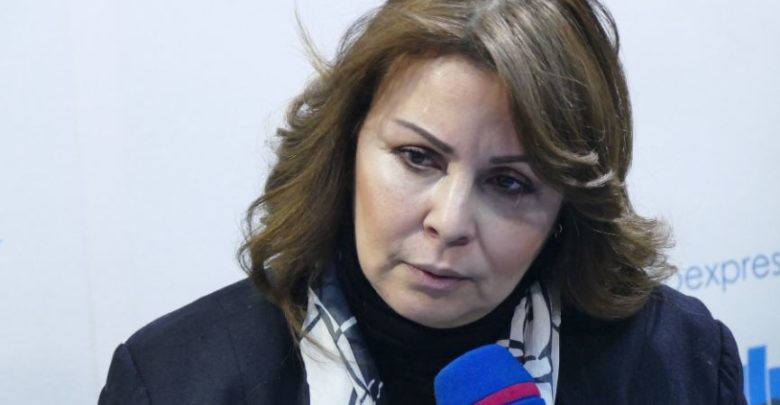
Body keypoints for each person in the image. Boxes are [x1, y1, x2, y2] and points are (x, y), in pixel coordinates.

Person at [99, 1, 747, 404]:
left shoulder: (679, 361)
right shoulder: (172, 380)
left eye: (510, 183)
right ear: (348, 146)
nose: (450, 221)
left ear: (568, 208)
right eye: (417, 157)